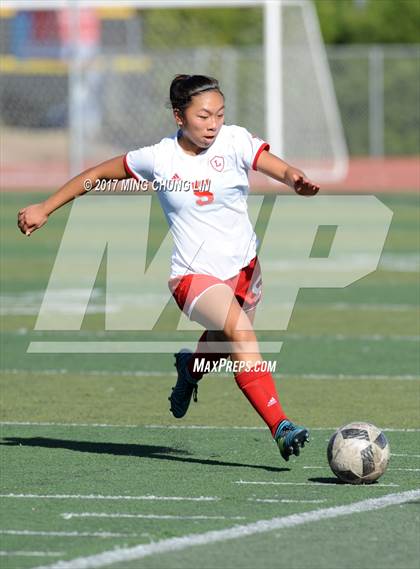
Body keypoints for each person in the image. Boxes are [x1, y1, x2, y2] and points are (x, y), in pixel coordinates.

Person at [17, 74, 319, 462]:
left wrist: (293, 177)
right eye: (204, 115)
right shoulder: (158, 158)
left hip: (246, 268)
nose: (213, 124)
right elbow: (96, 176)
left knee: (226, 343)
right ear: (179, 116)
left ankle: (190, 369)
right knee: (239, 332)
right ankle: (281, 426)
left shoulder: (234, 140)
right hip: (192, 277)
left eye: (219, 114)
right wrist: (46, 207)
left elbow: (270, 164)